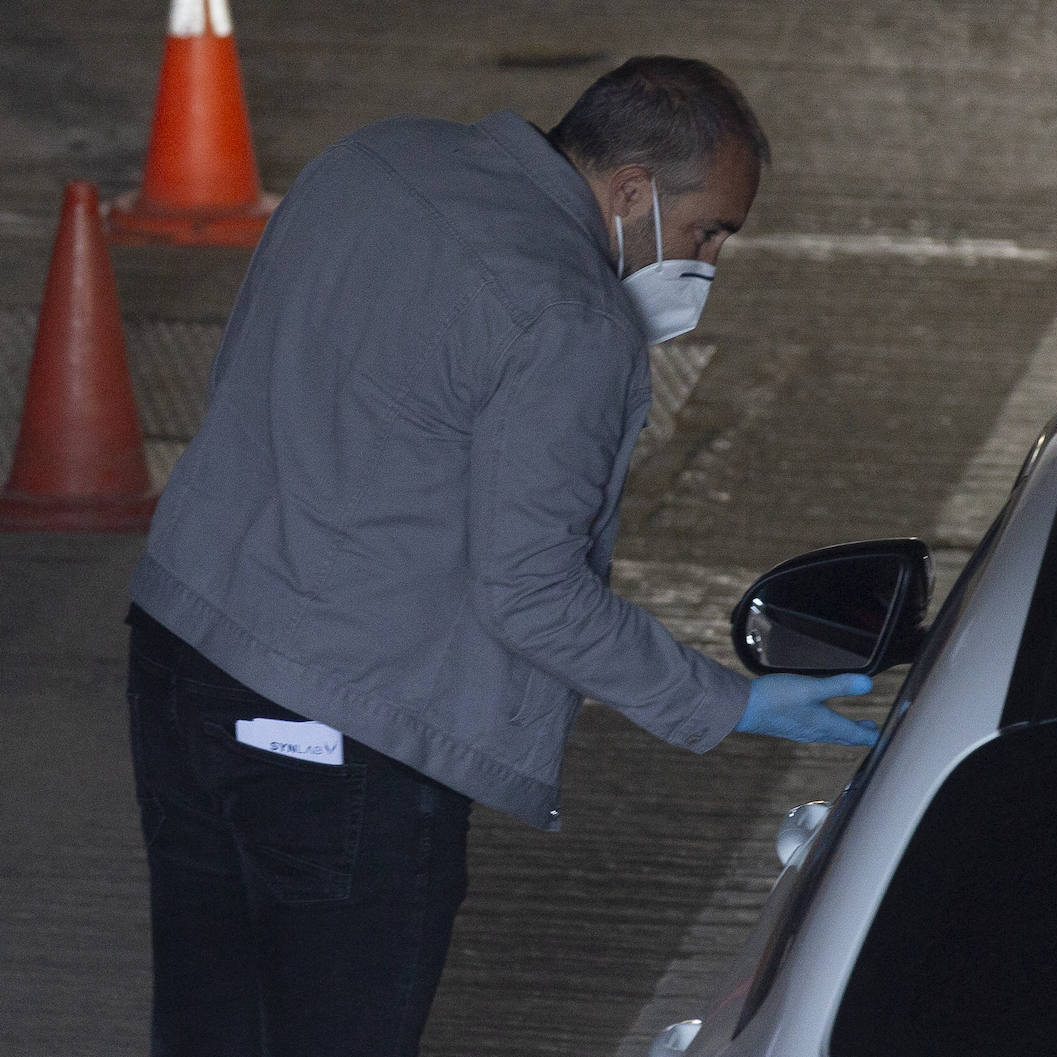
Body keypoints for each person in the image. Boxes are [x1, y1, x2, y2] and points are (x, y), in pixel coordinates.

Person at [124, 56, 876, 1057]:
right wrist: (725, 701)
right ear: (631, 192)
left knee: (207, 1023)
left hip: (180, 663)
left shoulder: (371, 162)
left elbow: (252, 377)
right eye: (708, 233)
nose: (709, 263)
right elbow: (531, 590)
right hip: (343, 736)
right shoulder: (571, 316)